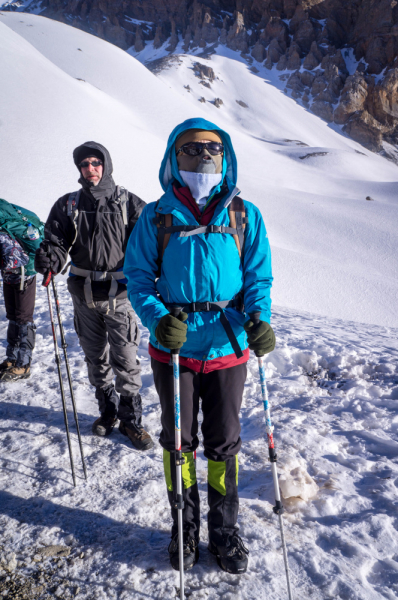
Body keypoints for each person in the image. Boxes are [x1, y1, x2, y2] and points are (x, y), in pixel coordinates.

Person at [124, 118, 275, 573]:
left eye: (212, 148)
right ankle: (184, 527)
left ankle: (224, 531)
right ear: (173, 157)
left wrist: (258, 319)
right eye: (191, 149)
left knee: (224, 443)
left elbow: (258, 278)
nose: (203, 157)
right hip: (175, 349)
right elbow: (137, 278)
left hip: (228, 345)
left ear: (225, 157)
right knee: (178, 443)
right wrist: (158, 318)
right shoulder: (157, 215)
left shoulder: (243, 215)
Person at [34, 141, 153, 451]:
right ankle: (108, 411)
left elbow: (150, 243)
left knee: (125, 357)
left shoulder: (129, 203)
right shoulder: (69, 204)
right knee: (94, 357)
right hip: (83, 293)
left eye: (95, 163)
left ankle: (131, 419)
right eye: (84, 165)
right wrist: (51, 257)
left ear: (106, 164)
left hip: (120, 294)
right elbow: (56, 241)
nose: (90, 169)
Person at [0, 217, 40, 382]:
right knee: (13, 318)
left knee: (24, 319)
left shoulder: (3, 232)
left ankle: (24, 365)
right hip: (10, 275)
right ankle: (12, 359)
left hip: (24, 274)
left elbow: (18, 257)